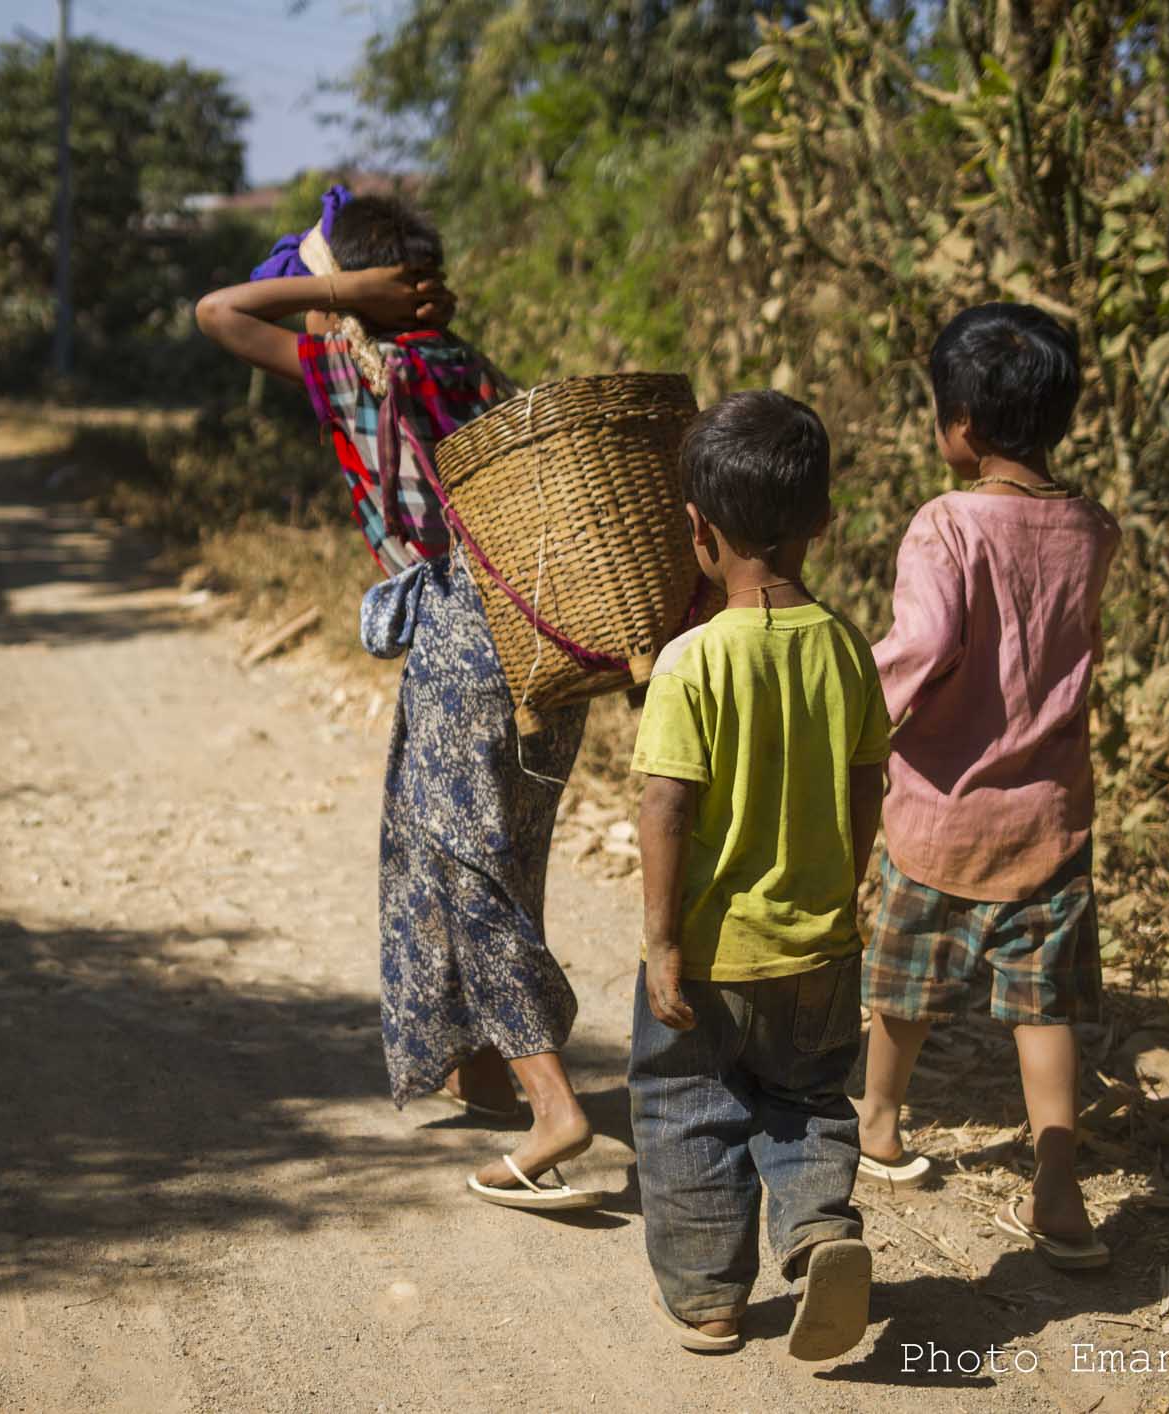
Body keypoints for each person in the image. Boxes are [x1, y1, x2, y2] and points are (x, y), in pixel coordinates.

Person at [195, 191, 601, 1210]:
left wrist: (335, 292)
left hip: (465, 633)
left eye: (328, 281)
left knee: (462, 867)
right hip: (543, 627)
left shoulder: (364, 366)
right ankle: (485, 1067)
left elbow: (217, 312)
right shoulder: (464, 360)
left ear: (360, 286)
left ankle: (554, 1103)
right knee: (495, 849)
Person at [854, 302, 1120, 1270]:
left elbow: (921, 646)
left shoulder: (946, 523)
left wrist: (853, 708)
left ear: (958, 423)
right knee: (1043, 1004)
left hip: (941, 807)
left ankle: (879, 1123)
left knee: (904, 982)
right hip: (1049, 811)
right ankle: (1058, 1187)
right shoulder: (1093, 526)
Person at [630, 390, 888, 1358]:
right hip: (820, 947)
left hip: (706, 955)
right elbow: (869, 783)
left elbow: (666, 805)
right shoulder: (849, 648)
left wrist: (661, 942)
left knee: (686, 1109)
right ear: (823, 521)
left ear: (697, 532)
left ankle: (709, 1298)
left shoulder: (690, 662)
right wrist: (844, 887)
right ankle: (820, 1229)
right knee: (810, 1099)